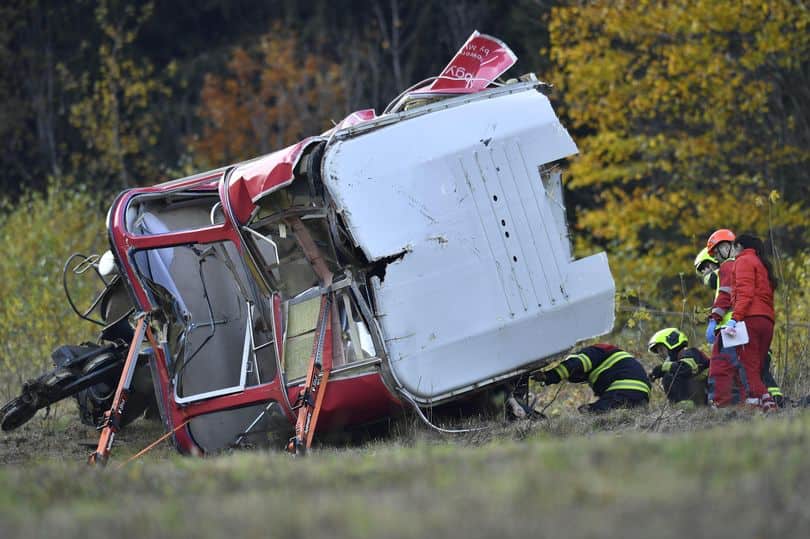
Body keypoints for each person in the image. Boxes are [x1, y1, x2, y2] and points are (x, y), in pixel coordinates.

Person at [694, 246, 785, 406]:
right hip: (750, 326)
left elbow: (725, 295)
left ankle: (730, 404)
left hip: (733, 329)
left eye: (705, 268)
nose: (705, 273)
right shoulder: (749, 268)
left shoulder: (727, 268)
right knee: (752, 369)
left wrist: (714, 319)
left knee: (726, 367)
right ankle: (770, 400)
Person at [725, 233, 778, 411]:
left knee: (749, 368)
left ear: (739, 246)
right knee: (758, 366)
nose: (732, 252)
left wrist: (734, 319)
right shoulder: (762, 264)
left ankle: (768, 405)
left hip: (750, 320)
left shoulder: (743, 261)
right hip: (767, 321)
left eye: (733, 247)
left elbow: (745, 293)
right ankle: (755, 406)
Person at [535, 344, 651, 412]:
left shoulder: (592, 352)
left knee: (590, 412)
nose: (580, 376)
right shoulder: (606, 355)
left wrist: (548, 376)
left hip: (623, 389)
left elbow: (575, 364)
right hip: (642, 395)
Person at [647, 328, 709, 405]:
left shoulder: (691, 352)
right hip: (699, 398)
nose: (660, 354)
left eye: (661, 349)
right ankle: (679, 406)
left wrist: (662, 368)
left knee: (668, 376)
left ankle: (681, 405)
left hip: (707, 397)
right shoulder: (677, 363)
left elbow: (686, 368)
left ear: (672, 343)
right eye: (658, 352)